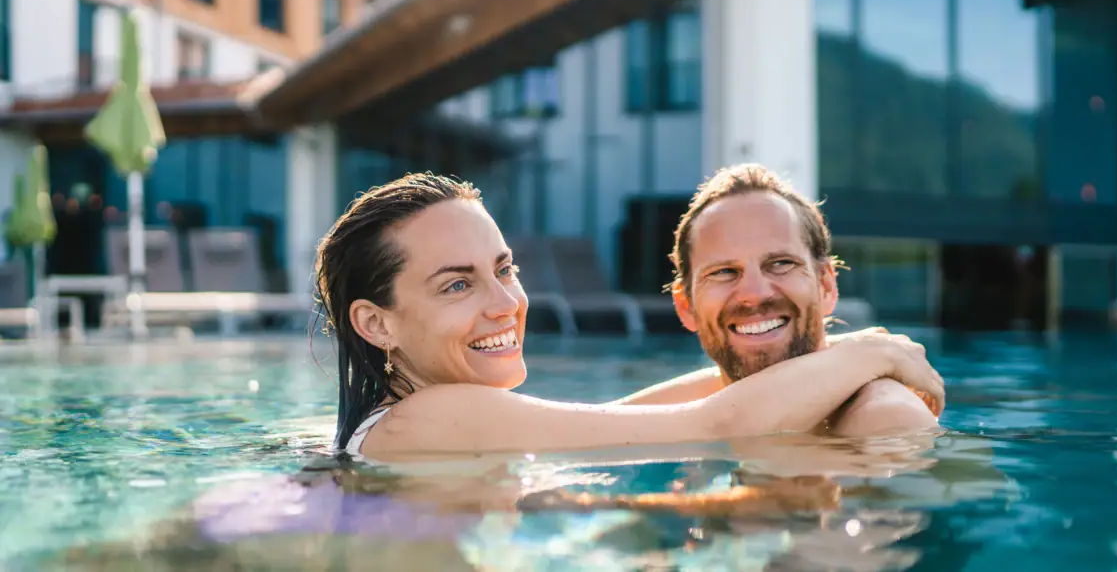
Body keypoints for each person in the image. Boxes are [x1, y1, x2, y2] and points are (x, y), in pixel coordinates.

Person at [314, 172, 943, 461]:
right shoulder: (427, 415)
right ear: (376, 324)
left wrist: (840, 369)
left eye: (505, 269)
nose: (506, 303)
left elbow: (630, 421)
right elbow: (711, 424)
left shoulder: (435, 418)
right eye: (457, 285)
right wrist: (873, 353)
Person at [615, 163, 940, 437]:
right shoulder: (703, 409)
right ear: (686, 307)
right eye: (724, 271)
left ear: (826, 286)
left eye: (781, 264)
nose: (754, 294)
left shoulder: (884, 419)